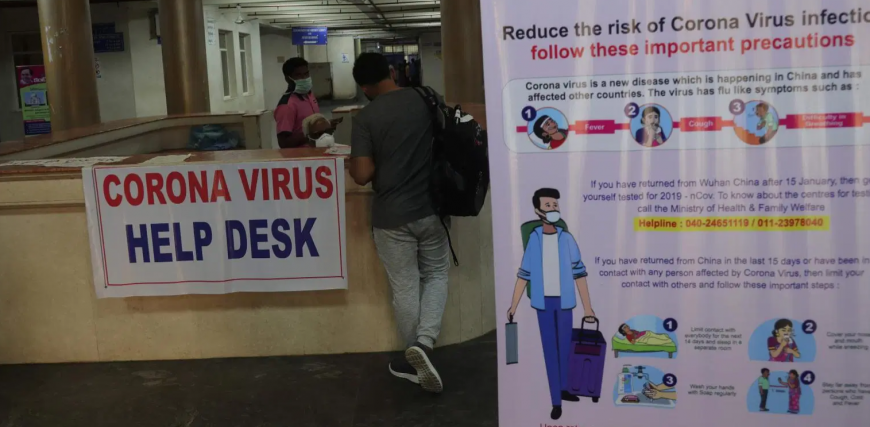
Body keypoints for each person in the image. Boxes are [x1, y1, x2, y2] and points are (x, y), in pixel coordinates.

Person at [349, 52, 450, 394]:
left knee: (406, 287)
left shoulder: (366, 117)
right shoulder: (427, 97)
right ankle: (424, 343)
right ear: (392, 72)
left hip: (391, 216)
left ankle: (414, 359)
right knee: (436, 275)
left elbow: (362, 174)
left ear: (364, 87)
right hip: (432, 208)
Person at [507, 188, 596, 421]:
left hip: (565, 303)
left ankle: (564, 389)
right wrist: (513, 305)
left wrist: (588, 307)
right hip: (544, 304)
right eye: (548, 205)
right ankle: (556, 401)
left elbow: (580, 273)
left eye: (555, 205)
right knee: (550, 351)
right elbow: (524, 274)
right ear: (538, 210)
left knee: (566, 349)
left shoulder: (567, 239)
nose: (553, 209)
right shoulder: (534, 239)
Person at [274, 57, 341, 148]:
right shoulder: (287, 106)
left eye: (306, 74)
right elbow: (284, 143)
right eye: (298, 75)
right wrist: (312, 132)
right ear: (288, 78)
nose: (304, 78)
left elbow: (311, 124)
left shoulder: (309, 95)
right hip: (300, 154)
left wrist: (326, 125)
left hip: (316, 148)